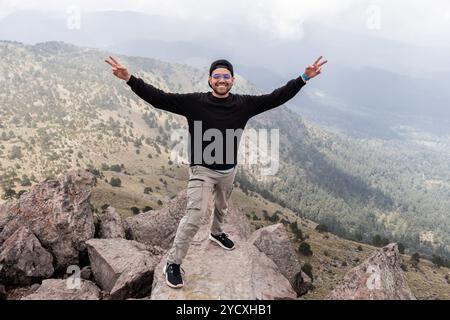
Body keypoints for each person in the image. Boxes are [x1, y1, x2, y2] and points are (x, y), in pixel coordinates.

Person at [105, 55, 327, 288]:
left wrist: (303, 78)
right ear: (210, 80)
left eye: (226, 76)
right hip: (202, 170)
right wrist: (129, 78)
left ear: (232, 80)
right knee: (194, 216)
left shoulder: (244, 104)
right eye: (217, 76)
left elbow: (276, 97)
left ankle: (216, 232)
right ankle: (173, 263)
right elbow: (159, 98)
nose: (222, 80)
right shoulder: (194, 102)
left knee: (222, 207)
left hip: (228, 170)